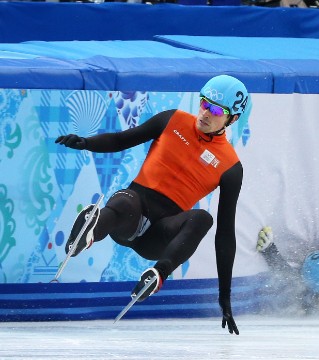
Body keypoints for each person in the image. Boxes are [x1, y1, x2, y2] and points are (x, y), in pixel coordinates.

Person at [55, 75, 252, 335]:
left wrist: (225, 295)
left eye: (216, 110)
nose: (205, 112)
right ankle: (89, 233)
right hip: (129, 216)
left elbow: (225, 234)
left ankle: (157, 275)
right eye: (204, 102)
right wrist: (86, 143)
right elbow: (122, 139)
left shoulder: (230, 167)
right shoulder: (173, 119)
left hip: (158, 236)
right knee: (126, 199)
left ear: (232, 119)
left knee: (203, 218)